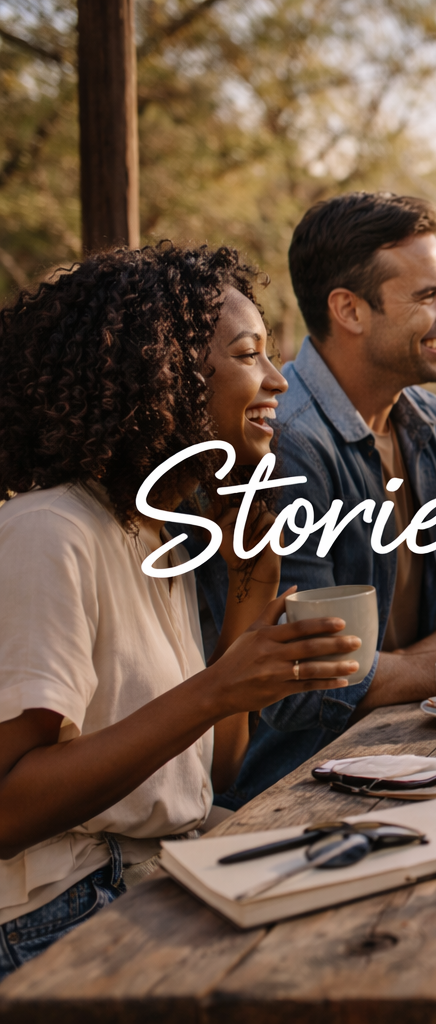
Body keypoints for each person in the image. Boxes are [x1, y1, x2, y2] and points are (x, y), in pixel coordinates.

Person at [0, 244, 362, 975]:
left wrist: (253, 584)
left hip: (154, 869)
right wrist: (215, 689)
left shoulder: (154, 529)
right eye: (250, 355)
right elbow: (9, 810)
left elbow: (213, 774)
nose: (278, 381)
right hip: (60, 913)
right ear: (162, 371)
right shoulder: (50, 532)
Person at [199, 192, 436, 810]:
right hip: (309, 782)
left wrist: (423, 667)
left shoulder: (433, 421)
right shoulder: (283, 443)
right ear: (348, 309)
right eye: (428, 296)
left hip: (431, 743)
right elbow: (309, 683)